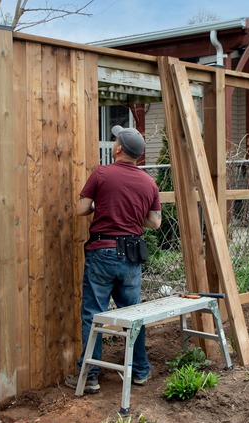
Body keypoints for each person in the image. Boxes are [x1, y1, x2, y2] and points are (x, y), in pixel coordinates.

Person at [64, 125, 162, 394]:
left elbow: (81, 208)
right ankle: (140, 371)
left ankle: (90, 376)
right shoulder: (149, 182)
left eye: (115, 140)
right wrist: (132, 211)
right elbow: (155, 222)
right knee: (134, 315)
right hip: (131, 255)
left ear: (118, 148)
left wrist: (103, 205)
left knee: (94, 315)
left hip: (102, 251)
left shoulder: (102, 173)